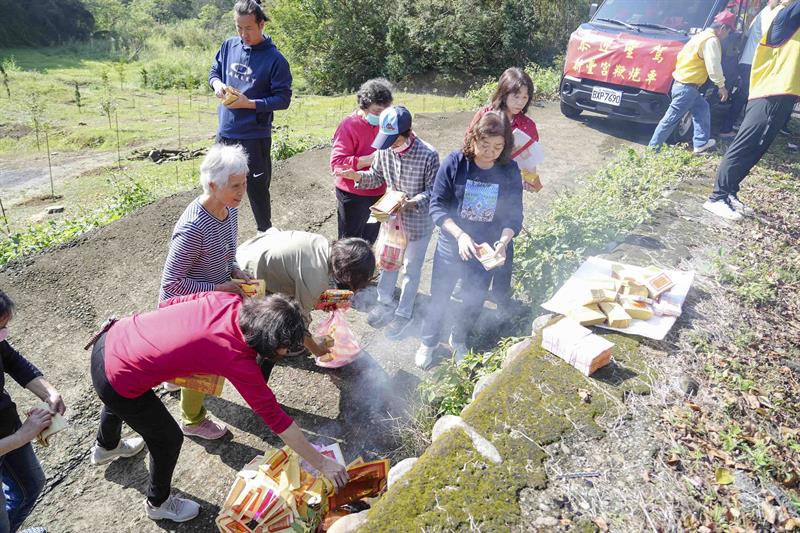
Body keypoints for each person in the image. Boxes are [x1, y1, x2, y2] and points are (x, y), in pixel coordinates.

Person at [88, 292, 350, 524]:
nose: (285, 354)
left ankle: (106, 446)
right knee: (167, 439)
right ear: (269, 344)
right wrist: (321, 463)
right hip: (116, 378)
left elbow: (170, 302)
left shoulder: (229, 301)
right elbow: (275, 418)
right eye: (284, 350)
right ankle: (158, 503)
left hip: (114, 336)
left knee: (129, 385)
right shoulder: (236, 356)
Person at [159, 144, 254, 441]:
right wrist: (217, 288)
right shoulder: (192, 229)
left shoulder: (229, 209)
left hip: (213, 299)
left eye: (244, 184)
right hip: (189, 307)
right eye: (235, 186)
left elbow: (227, 253)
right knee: (204, 363)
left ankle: (173, 379)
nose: (242, 192)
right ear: (213, 185)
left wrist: (235, 270)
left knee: (188, 364)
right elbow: (171, 286)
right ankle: (192, 420)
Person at [414, 112, 523, 369]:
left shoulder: (509, 169)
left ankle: (459, 339)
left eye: (498, 147)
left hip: (485, 250)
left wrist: (504, 242)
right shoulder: (456, 162)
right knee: (439, 296)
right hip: (453, 245)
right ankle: (428, 342)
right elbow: (437, 206)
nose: (490, 153)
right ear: (473, 138)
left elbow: (514, 215)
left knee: (474, 300)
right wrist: (461, 235)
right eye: (484, 145)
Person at [337, 106, 440, 339]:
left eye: (395, 141)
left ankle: (404, 313)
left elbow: (434, 191)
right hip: (391, 219)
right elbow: (376, 176)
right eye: (387, 140)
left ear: (408, 132)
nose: (390, 146)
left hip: (417, 224)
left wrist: (411, 203)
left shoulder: (428, 154)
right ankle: (384, 303)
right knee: (388, 263)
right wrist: (357, 176)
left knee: (411, 271)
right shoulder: (384, 150)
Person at [704, 0, 800, 221]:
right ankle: (717, 197)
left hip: (783, 95)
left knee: (757, 147)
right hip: (769, 93)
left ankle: (729, 192)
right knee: (745, 144)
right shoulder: (785, 18)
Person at [209, 0, 292, 233]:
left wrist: (250, 104)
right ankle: (214, 230)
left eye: (248, 28)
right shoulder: (229, 46)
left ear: (261, 24)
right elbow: (214, 71)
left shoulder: (276, 60)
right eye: (238, 27)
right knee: (217, 184)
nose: (243, 34)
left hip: (254, 135)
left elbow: (282, 99)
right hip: (226, 130)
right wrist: (217, 84)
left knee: (256, 188)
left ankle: (264, 234)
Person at [465, 67, 542, 312]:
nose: (520, 102)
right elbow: (468, 146)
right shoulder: (486, 114)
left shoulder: (528, 125)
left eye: (525, 97)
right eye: (515, 95)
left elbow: (531, 162)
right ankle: (468, 288)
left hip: (508, 190)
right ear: (503, 93)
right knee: (476, 233)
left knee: (505, 237)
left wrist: (530, 179)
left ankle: (501, 295)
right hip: (482, 186)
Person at [236, 232, 376, 357]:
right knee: (285, 319)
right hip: (247, 273)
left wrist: (331, 301)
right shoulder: (315, 278)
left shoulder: (323, 244)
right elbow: (295, 320)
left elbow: (315, 290)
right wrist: (317, 349)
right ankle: (283, 345)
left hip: (252, 248)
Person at [0, 290, 70, 532]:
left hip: (7, 433)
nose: (3, 335)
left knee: (30, 486)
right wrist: (21, 436)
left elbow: (11, 360)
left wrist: (48, 392)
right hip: (11, 438)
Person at [648, 11, 737, 153]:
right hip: (687, 87)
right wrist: (721, 86)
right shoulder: (712, 40)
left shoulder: (700, 36)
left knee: (702, 109)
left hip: (684, 84)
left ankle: (701, 143)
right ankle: (653, 149)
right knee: (670, 119)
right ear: (723, 28)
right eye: (729, 31)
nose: (727, 36)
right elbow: (713, 66)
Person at [330, 79, 394, 244]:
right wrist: (369, 160)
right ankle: (343, 270)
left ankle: (365, 268)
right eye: (376, 111)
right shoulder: (348, 125)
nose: (381, 116)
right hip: (354, 195)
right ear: (364, 106)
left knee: (370, 239)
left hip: (381, 194)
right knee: (349, 243)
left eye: (385, 111)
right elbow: (337, 163)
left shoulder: (388, 123)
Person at [721, 0, 782, 137]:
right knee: (747, 96)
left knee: (744, 95)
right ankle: (727, 128)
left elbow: (747, 34)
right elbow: (772, 38)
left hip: (747, 60)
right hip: (754, 62)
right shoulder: (772, 13)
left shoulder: (763, 12)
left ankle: (733, 125)